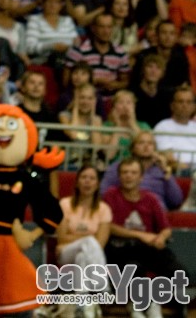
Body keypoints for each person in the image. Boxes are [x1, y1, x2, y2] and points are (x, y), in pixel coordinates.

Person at [103, 158, 186, 318]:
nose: (129, 176)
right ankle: (137, 305)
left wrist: (161, 237)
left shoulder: (151, 198)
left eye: (133, 173)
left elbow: (166, 228)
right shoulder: (111, 195)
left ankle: (155, 302)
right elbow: (108, 226)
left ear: (141, 177)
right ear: (119, 176)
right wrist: (140, 235)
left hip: (148, 248)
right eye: (125, 172)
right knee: (134, 267)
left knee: (178, 271)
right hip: (119, 248)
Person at [56, 165, 111, 318]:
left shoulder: (103, 209)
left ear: (97, 184)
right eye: (84, 177)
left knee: (82, 257)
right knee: (89, 242)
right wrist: (87, 237)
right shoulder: (64, 204)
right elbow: (62, 237)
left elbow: (100, 243)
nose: (87, 181)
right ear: (77, 182)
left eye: (92, 178)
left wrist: (77, 237)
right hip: (65, 253)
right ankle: (102, 287)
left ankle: (82, 305)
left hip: (88, 256)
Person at [101, 131, 184, 211]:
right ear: (132, 148)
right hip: (126, 210)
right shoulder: (120, 166)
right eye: (141, 143)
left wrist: (166, 172)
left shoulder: (162, 170)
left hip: (157, 212)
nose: (146, 146)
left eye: (150, 143)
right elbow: (103, 193)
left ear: (155, 149)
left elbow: (176, 201)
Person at [154, 85, 196, 171]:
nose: (184, 105)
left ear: (194, 107)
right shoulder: (162, 126)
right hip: (178, 172)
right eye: (180, 101)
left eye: (189, 102)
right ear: (172, 105)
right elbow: (169, 159)